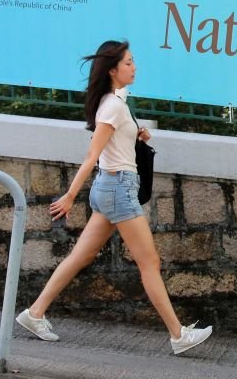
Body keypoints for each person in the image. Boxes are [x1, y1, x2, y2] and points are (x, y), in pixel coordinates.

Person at [15, 40, 212, 355]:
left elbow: (112, 143)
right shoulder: (113, 106)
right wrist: (69, 196)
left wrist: (137, 134)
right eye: (129, 63)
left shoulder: (114, 104)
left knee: (80, 256)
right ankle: (178, 335)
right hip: (117, 189)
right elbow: (92, 155)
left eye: (133, 62)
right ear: (112, 70)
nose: (135, 67)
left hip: (112, 188)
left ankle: (34, 313)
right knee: (150, 262)